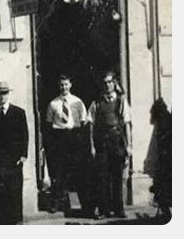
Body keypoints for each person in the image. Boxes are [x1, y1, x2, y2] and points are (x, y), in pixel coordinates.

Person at [87, 71, 132, 220]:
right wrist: (92, 146)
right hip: (102, 142)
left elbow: (126, 124)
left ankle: (119, 209)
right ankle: (104, 210)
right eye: (105, 83)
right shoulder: (97, 102)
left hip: (116, 141)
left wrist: (129, 145)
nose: (107, 85)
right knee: (102, 176)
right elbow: (91, 125)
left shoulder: (121, 101)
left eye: (109, 82)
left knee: (117, 176)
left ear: (114, 83)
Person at [0, 81, 29, 225]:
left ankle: (16, 220)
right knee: (0, 190)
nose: (2, 96)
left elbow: (24, 135)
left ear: (9, 94)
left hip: (14, 158)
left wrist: (23, 155)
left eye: (4, 93)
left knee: (14, 189)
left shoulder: (18, 112)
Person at [45, 74, 87, 213]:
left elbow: (84, 121)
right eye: (62, 85)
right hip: (59, 137)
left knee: (76, 170)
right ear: (59, 86)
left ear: (70, 85)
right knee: (59, 171)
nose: (64, 87)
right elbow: (49, 123)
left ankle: (78, 204)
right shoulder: (53, 103)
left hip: (74, 136)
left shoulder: (78, 102)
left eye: (66, 84)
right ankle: (57, 202)